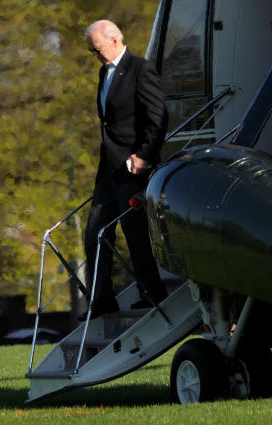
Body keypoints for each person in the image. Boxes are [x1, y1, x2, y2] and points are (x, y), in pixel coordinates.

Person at [82, 19, 169, 319]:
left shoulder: (140, 69)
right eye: (91, 51)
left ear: (114, 39)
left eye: (96, 49)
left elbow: (158, 117)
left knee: (135, 232)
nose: (94, 54)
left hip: (133, 167)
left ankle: (153, 294)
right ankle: (102, 300)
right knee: (95, 231)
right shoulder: (103, 72)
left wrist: (144, 155)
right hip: (108, 167)